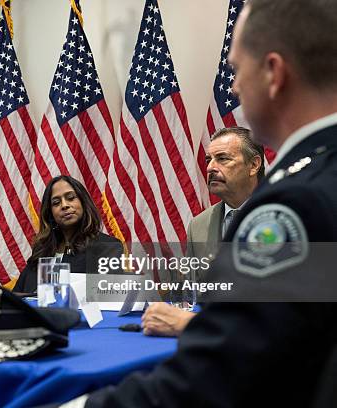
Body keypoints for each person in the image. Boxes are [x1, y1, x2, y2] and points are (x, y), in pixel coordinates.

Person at [60, 0, 337, 406]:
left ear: (275, 73)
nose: (234, 87)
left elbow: (225, 376)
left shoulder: (296, 203)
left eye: (236, 70)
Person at [142, 126, 264, 337]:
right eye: (209, 160)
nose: (210, 168)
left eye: (223, 158)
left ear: (253, 165)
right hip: (211, 340)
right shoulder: (199, 225)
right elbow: (192, 293)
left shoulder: (282, 213)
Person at [13, 175, 123, 294]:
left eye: (71, 198)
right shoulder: (42, 251)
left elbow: (108, 297)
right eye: (56, 203)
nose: (64, 205)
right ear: (51, 214)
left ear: (83, 203)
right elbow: (18, 295)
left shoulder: (107, 247)